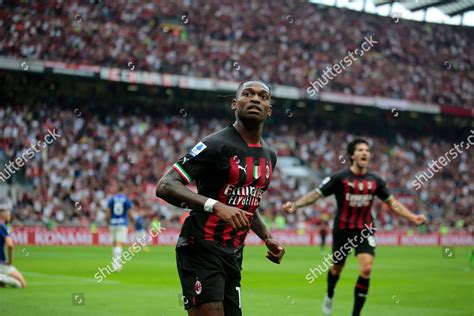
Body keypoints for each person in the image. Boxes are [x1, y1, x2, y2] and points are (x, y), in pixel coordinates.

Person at [156, 79, 285, 316]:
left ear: (270, 109)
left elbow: (246, 203)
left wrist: (267, 237)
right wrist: (215, 206)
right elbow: (165, 185)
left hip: (234, 253)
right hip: (201, 246)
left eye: (263, 96)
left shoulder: (270, 156)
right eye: (248, 94)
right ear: (235, 104)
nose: (256, 98)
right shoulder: (214, 144)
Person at [283, 138, 426, 316]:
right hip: (342, 229)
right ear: (352, 155)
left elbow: (392, 203)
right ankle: (329, 294)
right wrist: (296, 205)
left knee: (366, 269)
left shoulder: (376, 181)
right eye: (360, 150)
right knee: (337, 268)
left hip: (364, 230)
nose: (365, 153)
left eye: (367, 150)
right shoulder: (339, 178)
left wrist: (413, 217)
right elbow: (316, 195)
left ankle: (355, 314)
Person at [105, 185, 134, 271]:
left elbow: (107, 212)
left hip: (113, 223)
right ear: (123, 190)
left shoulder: (112, 199)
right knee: (119, 244)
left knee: (114, 244)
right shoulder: (126, 199)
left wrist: (108, 222)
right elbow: (129, 212)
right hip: (122, 223)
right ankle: (116, 265)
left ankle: (115, 263)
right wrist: (132, 221)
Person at [0, 201, 27, 288]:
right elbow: (10, 244)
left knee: (3, 285)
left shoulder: (5, 226)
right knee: (22, 284)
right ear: (2, 215)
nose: (9, 216)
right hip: (1, 262)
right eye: (8, 213)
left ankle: (2, 278)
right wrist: (10, 261)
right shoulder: (2, 226)